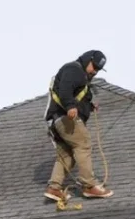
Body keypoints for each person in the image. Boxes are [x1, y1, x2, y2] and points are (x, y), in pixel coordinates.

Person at [43, 50, 114, 203]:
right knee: (84, 144)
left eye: (98, 69)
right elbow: (65, 88)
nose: (94, 71)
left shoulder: (82, 77)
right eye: (94, 67)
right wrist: (70, 106)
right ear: (88, 60)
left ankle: (54, 188)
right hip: (64, 118)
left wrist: (89, 106)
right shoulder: (74, 69)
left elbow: (77, 97)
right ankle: (89, 185)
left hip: (56, 121)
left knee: (67, 153)